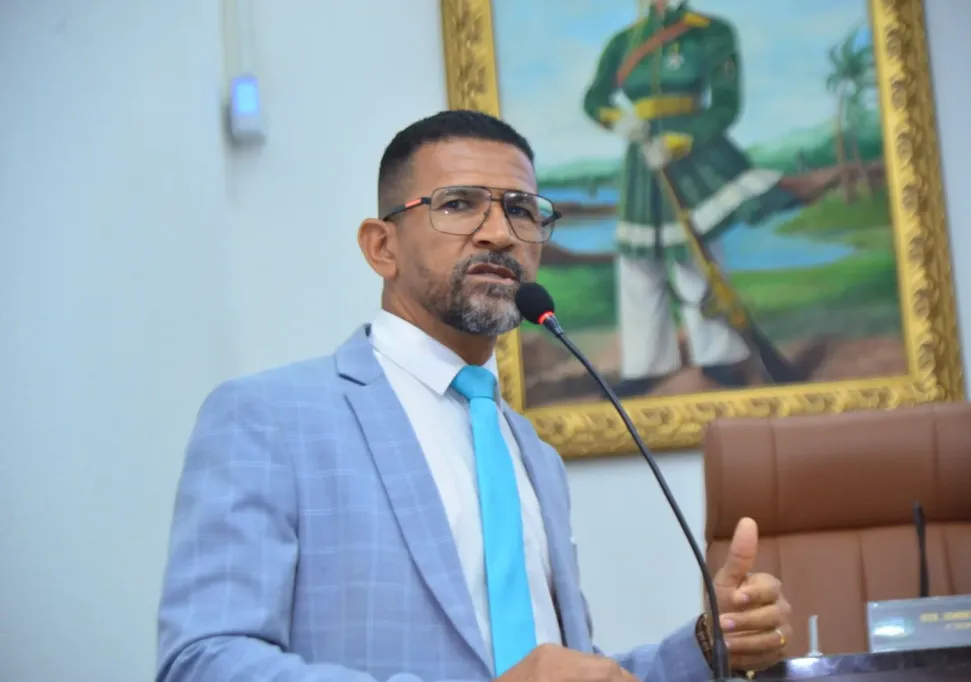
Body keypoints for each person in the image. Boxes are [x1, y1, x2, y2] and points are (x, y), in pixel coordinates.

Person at [156, 109, 793, 682]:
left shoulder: (533, 453)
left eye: (522, 210)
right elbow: (203, 661)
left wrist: (707, 644)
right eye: (459, 204)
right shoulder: (269, 418)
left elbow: (552, 669)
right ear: (382, 246)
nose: (500, 233)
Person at [582, 0, 802, 393]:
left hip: (692, 157)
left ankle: (718, 356)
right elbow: (594, 99)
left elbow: (726, 106)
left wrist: (684, 140)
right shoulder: (623, 42)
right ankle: (644, 364)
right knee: (637, 261)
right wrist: (618, 120)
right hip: (642, 159)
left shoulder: (710, 32)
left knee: (697, 254)